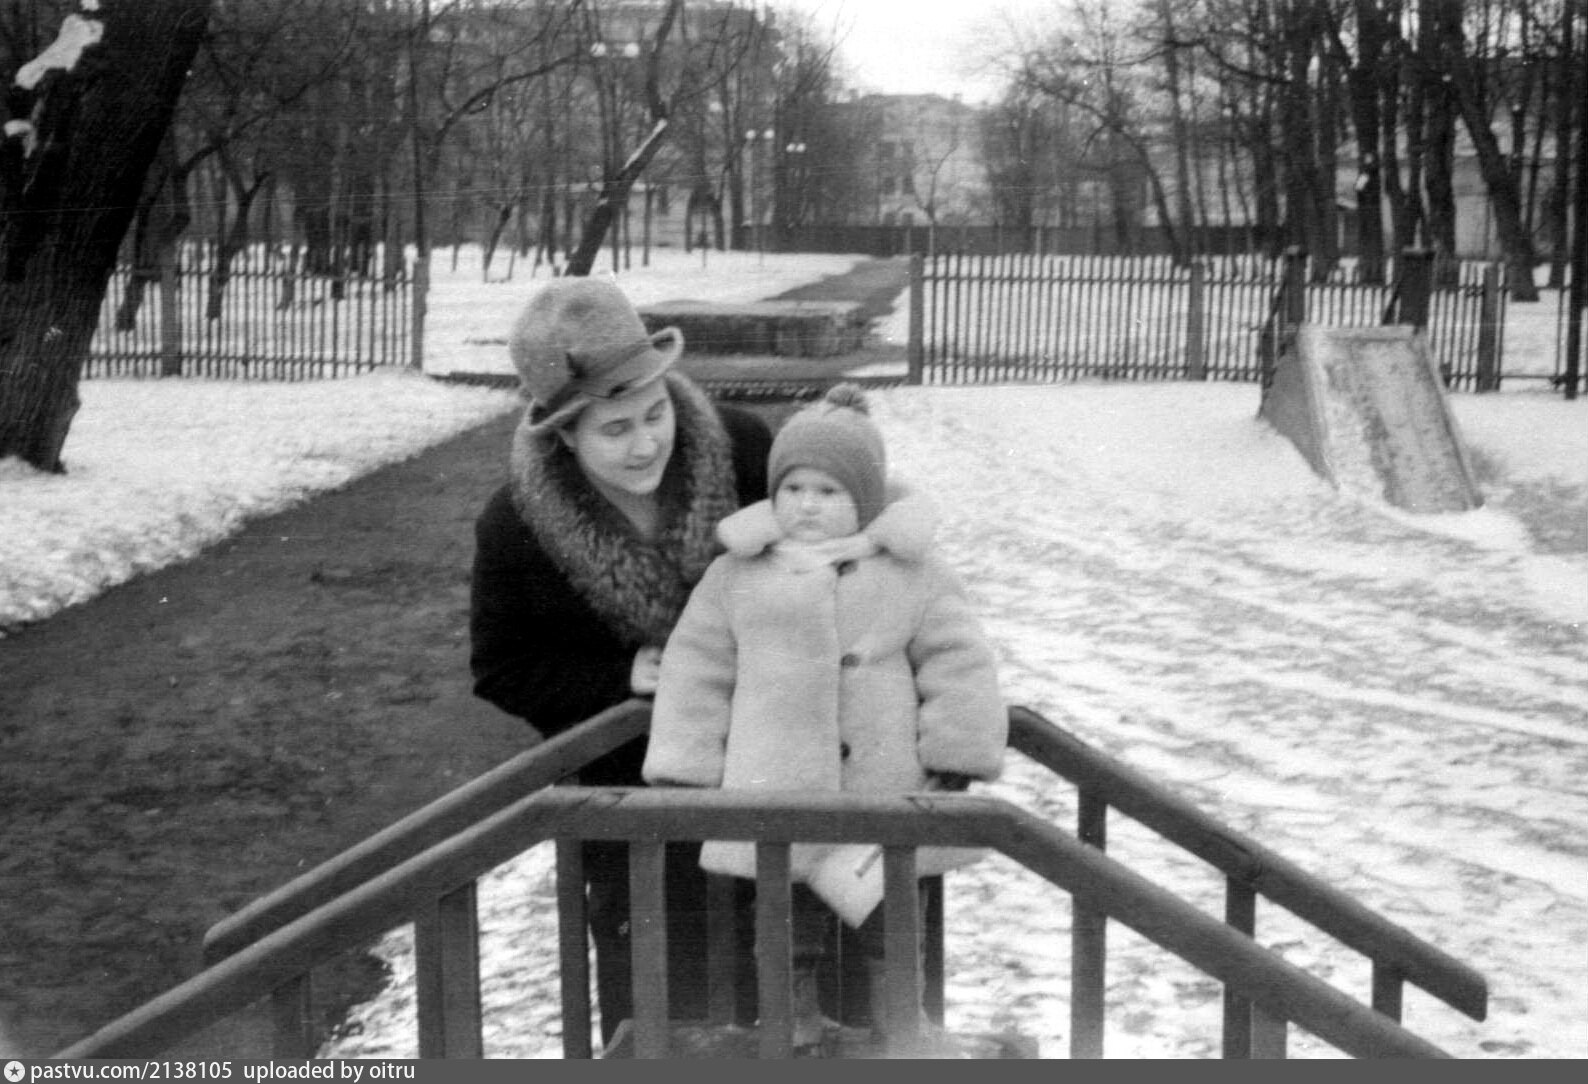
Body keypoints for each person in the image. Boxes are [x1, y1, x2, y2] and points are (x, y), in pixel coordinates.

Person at [642, 383, 1007, 1051]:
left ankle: (901, 1025)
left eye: (829, 491)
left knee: (894, 916)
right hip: (776, 788)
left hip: (884, 788)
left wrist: (957, 752)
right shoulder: (738, 575)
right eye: (793, 488)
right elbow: (697, 666)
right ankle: (793, 1021)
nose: (807, 504)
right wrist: (686, 764)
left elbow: (959, 660)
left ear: (864, 499)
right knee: (783, 919)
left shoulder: (913, 574)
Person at [468, 276, 769, 1048]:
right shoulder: (516, 525)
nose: (645, 444)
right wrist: (619, 677)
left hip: (772, 781)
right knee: (657, 1025)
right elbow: (501, 667)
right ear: (565, 435)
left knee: (783, 1011)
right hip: (634, 819)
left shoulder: (742, 451)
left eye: (655, 413)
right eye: (615, 429)